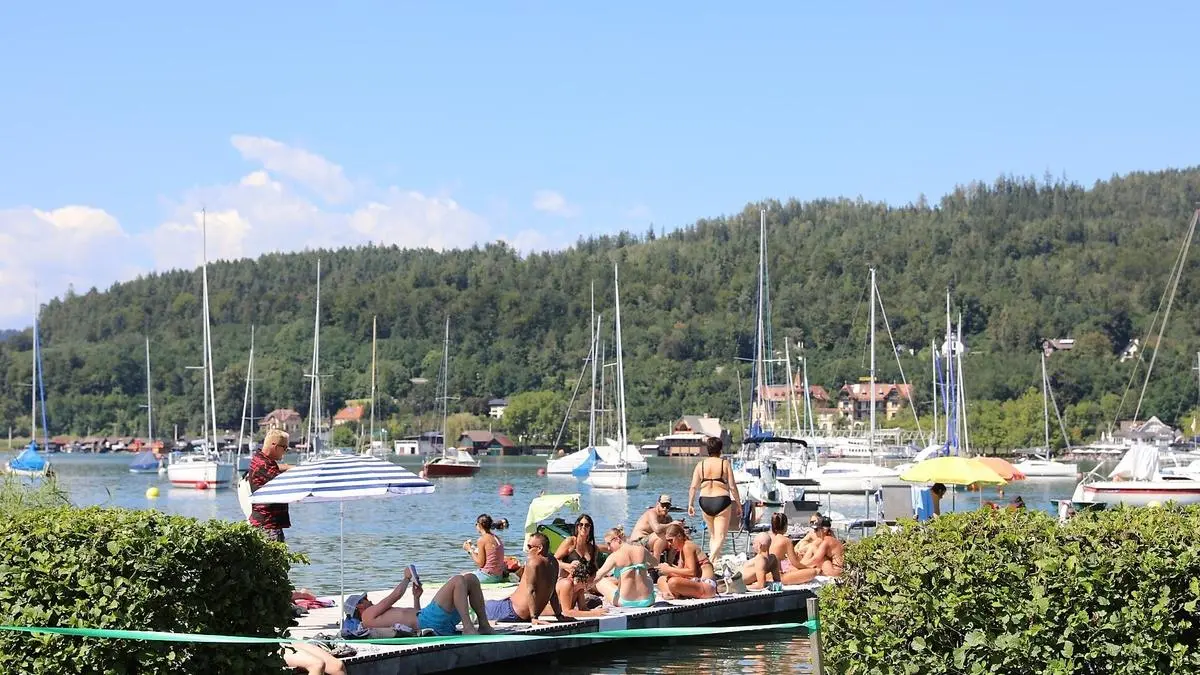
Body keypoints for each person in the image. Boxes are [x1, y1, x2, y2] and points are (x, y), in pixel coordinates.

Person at [347, 566, 495, 635]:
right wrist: (406, 577)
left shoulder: (373, 616)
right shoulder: (367, 616)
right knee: (457, 580)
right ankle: (468, 627)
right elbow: (395, 595)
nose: (369, 600)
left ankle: (484, 625)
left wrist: (416, 597)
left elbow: (414, 616)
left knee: (471, 579)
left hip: (428, 620)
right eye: (365, 599)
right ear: (359, 606)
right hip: (429, 621)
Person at [483, 532, 571, 625]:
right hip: (520, 612)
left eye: (529, 547)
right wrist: (558, 615)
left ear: (539, 548)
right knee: (493, 603)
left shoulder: (533, 562)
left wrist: (534, 618)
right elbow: (552, 593)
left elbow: (531, 590)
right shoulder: (553, 562)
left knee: (482, 605)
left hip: (512, 612)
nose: (527, 550)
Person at [687, 436, 741, 562]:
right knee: (721, 536)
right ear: (720, 449)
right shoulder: (724, 463)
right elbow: (732, 487)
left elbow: (693, 487)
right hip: (721, 499)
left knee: (713, 535)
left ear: (707, 449)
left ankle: (714, 563)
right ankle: (710, 560)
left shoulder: (700, 465)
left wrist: (690, 504)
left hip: (704, 501)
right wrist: (739, 504)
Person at [247, 429, 295, 542]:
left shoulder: (260, 460)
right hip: (268, 525)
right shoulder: (263, 465)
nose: (285, 452)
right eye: (285, 448)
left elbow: (276, 469)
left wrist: (288, 467)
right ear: (274, 445)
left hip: (265, 522)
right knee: (276, 559)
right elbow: (282, 481)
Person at [594, 527, 657, 608]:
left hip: (626, 602)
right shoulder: (641, 549)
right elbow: (655, 563)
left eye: (609, 544)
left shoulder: (614, 556)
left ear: (617, 539)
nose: (608, 548)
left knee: (601, 582)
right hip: (648, 600)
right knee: (647, 578)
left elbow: (597, 576)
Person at [655, 523, 717, 599]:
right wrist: (666, 570)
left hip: (707, 586)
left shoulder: (687, 546)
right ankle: (671, 594)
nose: (669, 544)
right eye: (667, 541)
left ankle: (672, 594)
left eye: (671, 540)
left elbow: (691, 572)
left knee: (673, 582)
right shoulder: (681, 550)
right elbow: (681, 574)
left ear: (679, 536)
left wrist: (669, 569)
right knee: (661, 579)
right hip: (696, 583)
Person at [769, 513, 820, 584]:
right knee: (813, 572)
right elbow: (796, 563)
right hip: (778, 577)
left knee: (794, 569)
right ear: (785, 525)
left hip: (766, 574)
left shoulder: (768, 538)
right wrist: (808, 568)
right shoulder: (786, 541)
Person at [630, 494, 681, 560]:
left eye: (667, 506)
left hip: (650, 542)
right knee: (660, 536)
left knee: (675, 538)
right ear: (658, 504)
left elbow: (671, 532)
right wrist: (672, 524)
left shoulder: (668, 518)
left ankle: (669, 564)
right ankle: (656, 564)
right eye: (663, 505)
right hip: (637, 542)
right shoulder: (651, 513)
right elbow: (657, 529)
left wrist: (680, 528)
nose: (665, 508)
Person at [463, 513, 508, 582]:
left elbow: (480, 563)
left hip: (488, 576)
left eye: (476, 524)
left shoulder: (482, 539)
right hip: (498, 576)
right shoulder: (496, 537)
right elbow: (490, 555)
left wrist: (469, 550)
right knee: (466, 574)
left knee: (461, 577)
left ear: (479, 525)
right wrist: (473, 548)